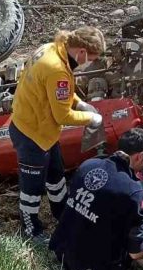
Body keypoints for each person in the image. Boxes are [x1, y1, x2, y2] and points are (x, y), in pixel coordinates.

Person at [8, 26, 107, 241]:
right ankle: (30, 228)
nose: (90, 62)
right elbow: (62, 116)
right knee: (31, 188)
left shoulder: (51, 49)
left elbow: (56, 93)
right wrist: (91, 118)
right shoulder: (57, 70)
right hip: (31, 134)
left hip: (42, 130)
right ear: (81, 51)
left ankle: (61, 211)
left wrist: (81, 104)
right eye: (92, 57)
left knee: (56, 174)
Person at [51, 127, 143, 270]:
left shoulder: (88, 165)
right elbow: (135, 254)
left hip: (61, 250)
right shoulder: (134, 192)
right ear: (140, 156)